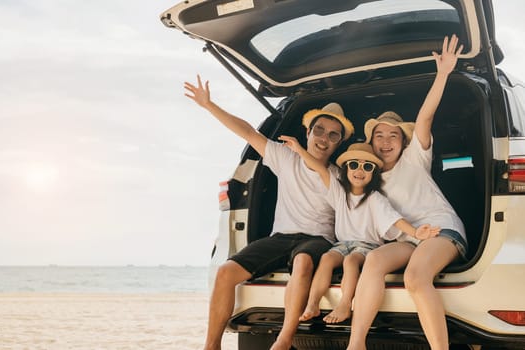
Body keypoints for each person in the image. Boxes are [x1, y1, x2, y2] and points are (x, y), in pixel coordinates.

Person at [183, 74, 354, 350]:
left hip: (318, 240)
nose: (324, 138)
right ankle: (211, 345)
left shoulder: (337, 175)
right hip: (281, 237)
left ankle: (284, 340)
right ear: (308, 132)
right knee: (225, 272)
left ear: (338, 144)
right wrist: (209, 105)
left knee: (302, 263)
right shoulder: (286, 158)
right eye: (319, 130)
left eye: (333, 135)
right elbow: (249, 133)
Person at [346, 34, 469, 350]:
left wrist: (442, 73)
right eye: (379, 136)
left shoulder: (415, 158)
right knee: (373, 260)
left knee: (414, 279)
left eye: (393, 136)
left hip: (442, 231)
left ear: (404, 142)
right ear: (371, 142)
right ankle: (356, 343)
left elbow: (426, 116)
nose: (386, 141)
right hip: (409, 237)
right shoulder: (368, 178)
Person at [276, 141, 439, 338]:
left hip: (367, 246)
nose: (359, 170)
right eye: (354, 165)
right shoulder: (338, 193)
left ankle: (345, 304)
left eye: (367, 166)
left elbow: (395, 219)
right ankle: (312, 303)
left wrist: (415, 233)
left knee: (351, 261)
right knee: (327, 259)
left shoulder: (375, 198)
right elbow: (320, 168)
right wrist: (299, 150)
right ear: (345, 169)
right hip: (342, 244)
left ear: (373, 174)